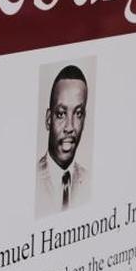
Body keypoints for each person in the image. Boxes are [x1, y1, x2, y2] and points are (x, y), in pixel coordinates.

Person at [36, 65, 91, 216]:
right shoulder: (32, 180)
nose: (70, 127)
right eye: (61, 114)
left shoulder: (89, 181)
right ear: (48, 119)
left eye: (78, 113)